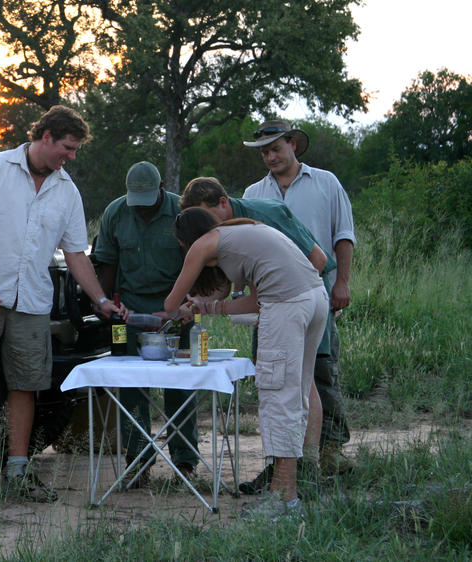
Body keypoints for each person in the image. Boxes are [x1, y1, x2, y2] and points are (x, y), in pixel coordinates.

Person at [0, 105, 124, 501]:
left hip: (31, 301)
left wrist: (99, 299)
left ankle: (18, 474)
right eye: (67, 147)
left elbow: (76, 254)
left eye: (76, 149)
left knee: (26, 387)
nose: (71, 156)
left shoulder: (67, 190)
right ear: (45, 136)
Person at [164, 208, 328, 517]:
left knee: (277, 397)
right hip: (315, 299)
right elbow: (254, 301)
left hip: (288, 306)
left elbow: (170, 304)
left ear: (185, 241)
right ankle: (288, 489)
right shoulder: (243, 234)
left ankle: (283, 498)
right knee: (295, 395)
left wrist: (183, 308)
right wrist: (209, 307)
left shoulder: (203, 244)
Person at [242, 120, 357, 478]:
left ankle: (331, 450)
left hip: (316, 290)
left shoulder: (326, 182)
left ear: (293, 144)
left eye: (276, 148)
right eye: (264, 151)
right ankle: (282, 462)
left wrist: (342, 283)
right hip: (269, 300)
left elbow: (344, 236)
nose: (270, 157)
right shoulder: (253, 193)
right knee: (274, 376)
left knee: (320, 370)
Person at [93, 161, 199, 485]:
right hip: (129, 310)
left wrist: (187, 306)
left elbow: (196, 263)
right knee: (130, 385)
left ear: (160, 192)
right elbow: (107, 262)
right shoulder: (115, 212)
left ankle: (185, 461)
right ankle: (138, 461)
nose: (140, 209)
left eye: (147, 200)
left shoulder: (182, 212)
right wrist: (106, 303)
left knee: (179, 385)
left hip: (173, 306)